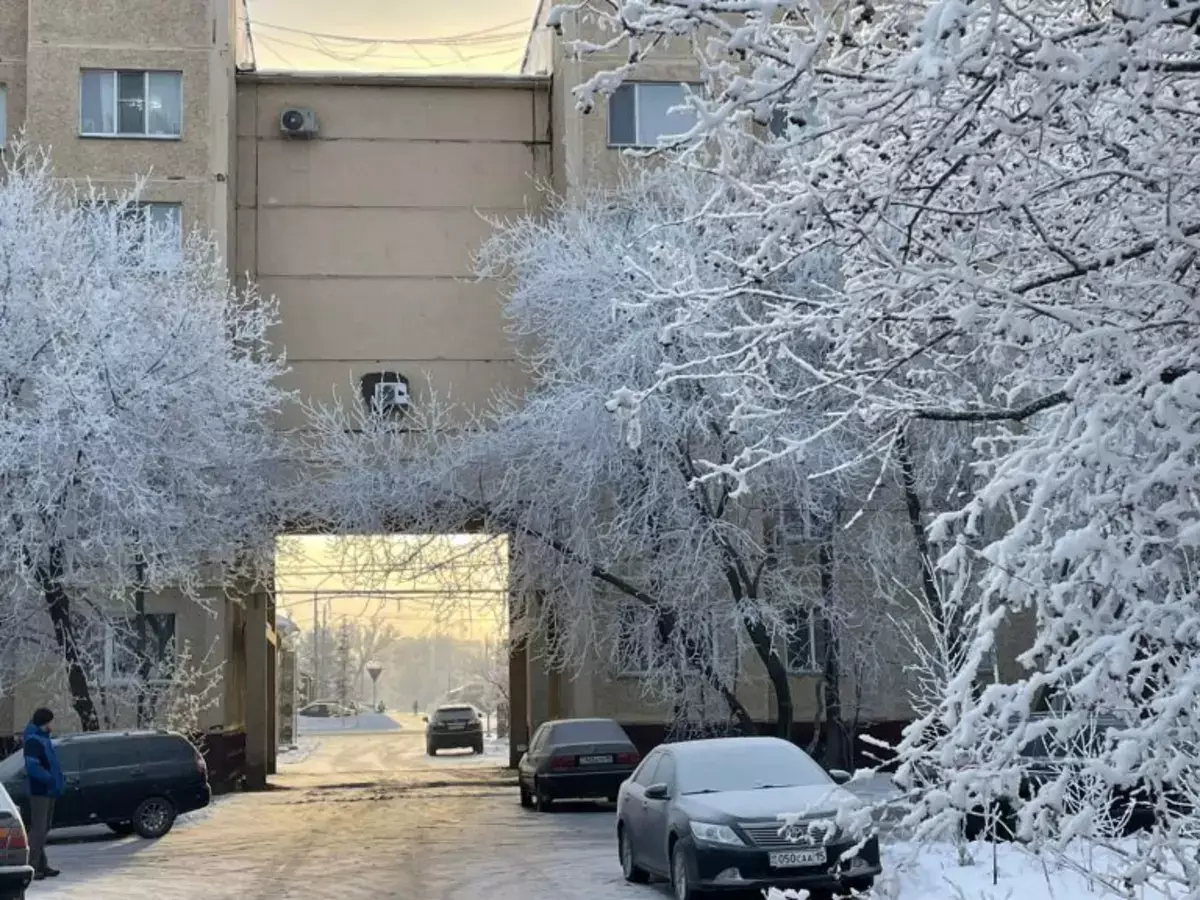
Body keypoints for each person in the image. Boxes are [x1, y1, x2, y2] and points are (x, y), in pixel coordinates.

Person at [22, 708, 63, 880]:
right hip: (40, 790)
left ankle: (41, 865)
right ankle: (31, 866)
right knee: (38, 830)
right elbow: (32, 766)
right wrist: (49, 778)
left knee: (43, 828)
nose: (53, 724)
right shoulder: (34, 741)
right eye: (51, 721)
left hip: (48, 789)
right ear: (45, 722)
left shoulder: (43, 739)